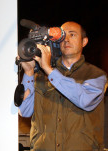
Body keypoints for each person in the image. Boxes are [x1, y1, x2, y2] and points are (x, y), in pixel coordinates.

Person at [18, 21, 107, 150]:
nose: (66, 40)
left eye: (72, 35)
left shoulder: (96, 75)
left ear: (84, 42)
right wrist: (29, 72)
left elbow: (85, 100)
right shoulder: (41, 76)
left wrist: (48, 69)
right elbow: (25, 111)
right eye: (63, 36)